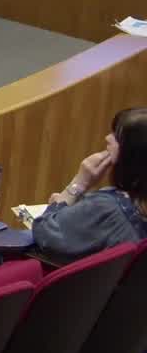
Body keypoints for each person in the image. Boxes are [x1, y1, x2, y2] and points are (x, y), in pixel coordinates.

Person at [34, 107, 147, 260]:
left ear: (133, 153)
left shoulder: (107, 208)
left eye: (117, 136)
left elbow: (44, 234)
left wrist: (78, 183)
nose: (107, 138)